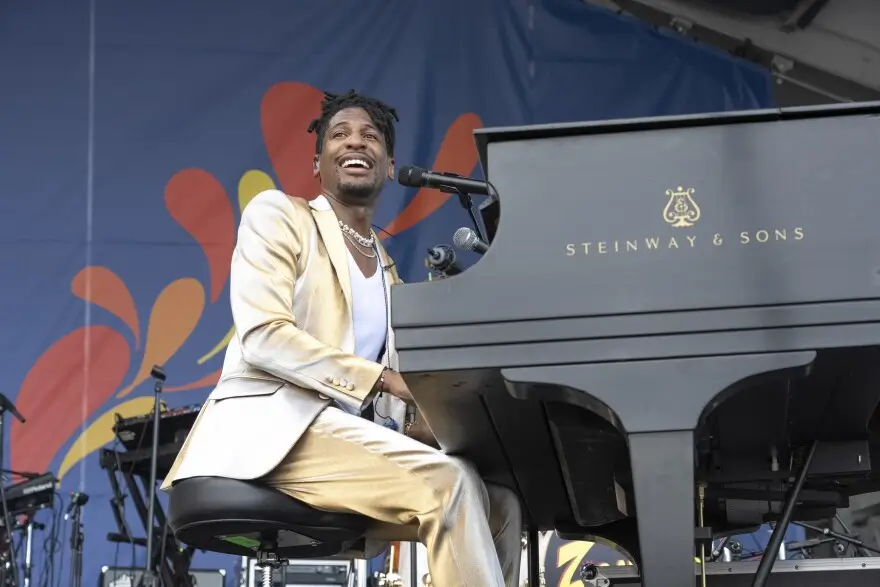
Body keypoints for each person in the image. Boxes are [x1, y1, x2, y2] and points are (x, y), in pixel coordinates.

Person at [161, 90, 522, 587]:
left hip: (346, 442)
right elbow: (265, 336)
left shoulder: (390, 272)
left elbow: (395, 407)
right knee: (449, 484)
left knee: (500, 501)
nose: (357, 142)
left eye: (371, 136)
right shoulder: (279, 215)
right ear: (317, 162)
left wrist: (462, 426)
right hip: (274, 431)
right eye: (341, 134)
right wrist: (388, 381)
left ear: (389, 165)